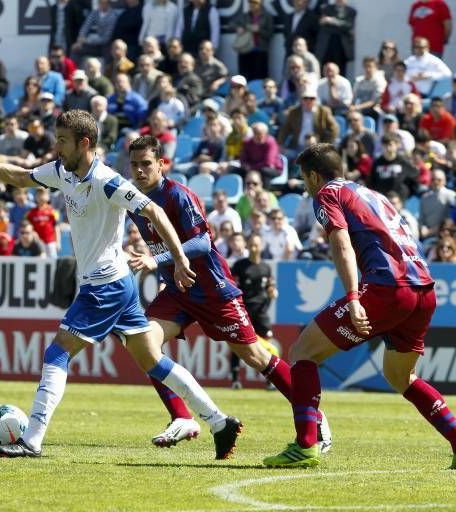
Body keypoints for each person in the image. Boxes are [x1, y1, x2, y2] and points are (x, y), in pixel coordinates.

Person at [0, 111, 240, 459]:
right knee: (153, 361)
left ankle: (31, 440)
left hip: (104, 286)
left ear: (84, 143)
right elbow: (20, 177)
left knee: (57, 352)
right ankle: (219, 421)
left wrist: (179, 258)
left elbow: (156, 212)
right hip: (118, 283)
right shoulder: (63, 171)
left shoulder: (108, 181)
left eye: (63, 140)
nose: (56, 146)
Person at [125, 135, 331, 451]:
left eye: (146, 164)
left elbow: (202, 244)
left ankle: (313, 414)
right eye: (135, 165)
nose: (139, 171)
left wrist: (157, 259)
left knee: (256, 356)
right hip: (180, 292)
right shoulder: (135, 202)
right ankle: (182, 417)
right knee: (142, 343)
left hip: (213, 290)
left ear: (162, 164)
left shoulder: (178, 195)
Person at [263, 143, 453, 469]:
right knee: (400, 376)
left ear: (313, 175)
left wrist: (353, 297)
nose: (303, 184)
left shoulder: (326, 194)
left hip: (386, 287)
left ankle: (306, 443)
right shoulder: (373, 195)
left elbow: (341, 242)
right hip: (423, 289)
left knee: (302, 353)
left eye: (303, 176)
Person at [230, 234, 277, 388]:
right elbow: (232, 286)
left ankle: (270, 380)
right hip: (245, 312)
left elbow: (270, 286)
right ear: (247, 246)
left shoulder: (266, 267)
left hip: (261, 313)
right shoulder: (240, 265)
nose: (254, 248)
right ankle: (236, 380)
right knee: (239, 345)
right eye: (251, 245)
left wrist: (272, 291)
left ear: (262, 246)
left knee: (268, 345)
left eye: (256, 245)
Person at [232, 0, 273, 82]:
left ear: (260, 4)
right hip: (245, 50)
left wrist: (259, 30)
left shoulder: (267, 16)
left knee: (259, 77)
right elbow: (232, 24)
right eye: (250, 3)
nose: (252, 5)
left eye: (255, 3)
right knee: (244, 77)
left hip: (260, 51)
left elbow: (270, 34)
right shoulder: (244, 16)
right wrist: (238, 28)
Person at [315, 0, 357, 75]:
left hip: (341, 48)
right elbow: (322, 23)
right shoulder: (326, 9)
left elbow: (348, 25)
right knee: (325, 69)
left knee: (340, 71)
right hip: (327, 47)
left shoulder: (351, 11)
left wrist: (332, 21)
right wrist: (339, 24)